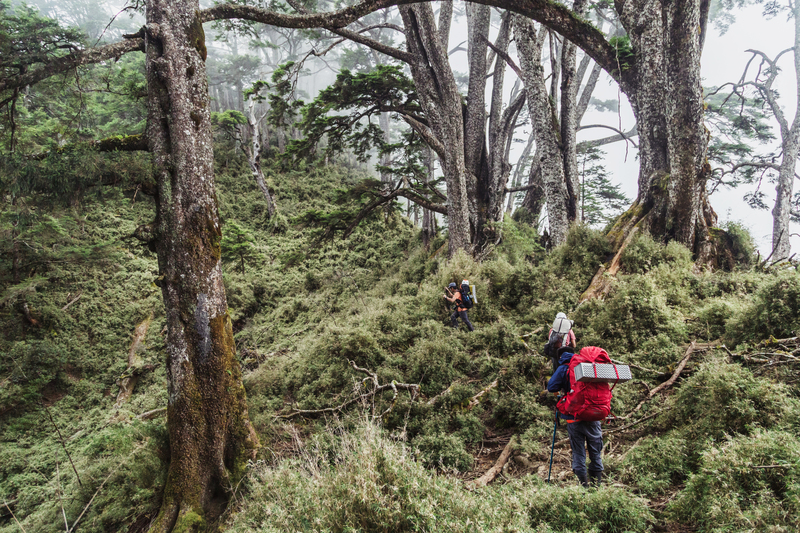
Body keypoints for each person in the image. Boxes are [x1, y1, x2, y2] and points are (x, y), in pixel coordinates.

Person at [547, 346, 604, 488]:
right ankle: (597, 488)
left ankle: (584, 488)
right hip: (594, 415)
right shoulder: (587, 365)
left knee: (578, 453)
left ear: (560, 357)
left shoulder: (564, 368)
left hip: (574, 417)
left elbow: (551, 387)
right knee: (595, 453)